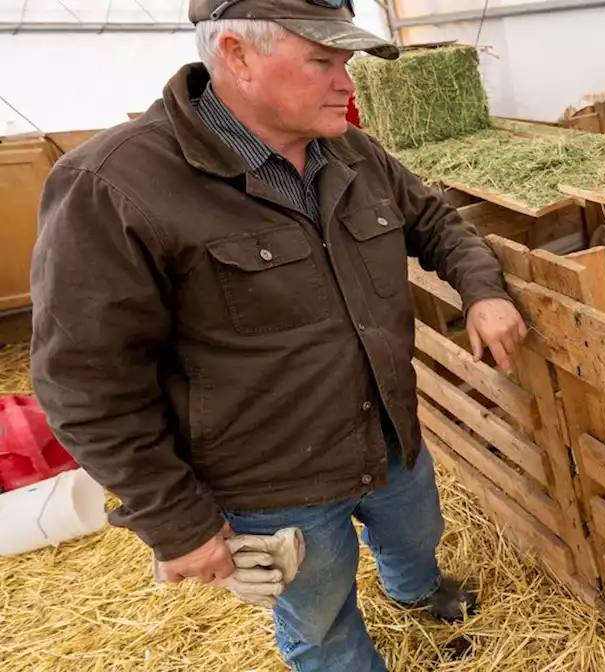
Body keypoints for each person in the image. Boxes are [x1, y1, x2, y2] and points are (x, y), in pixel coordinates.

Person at [27, 0, 529, 669]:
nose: (347, 82)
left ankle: (415, 589)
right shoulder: (115, 185)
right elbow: (86, 384)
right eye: (322, 61)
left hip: (389, 431)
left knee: (417, 532)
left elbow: (435, 221)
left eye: (345, 61)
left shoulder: (351, 151)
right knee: (319, 616)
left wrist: (485, 291)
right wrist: (179, 523)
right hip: (275, 482)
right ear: (236, 55)